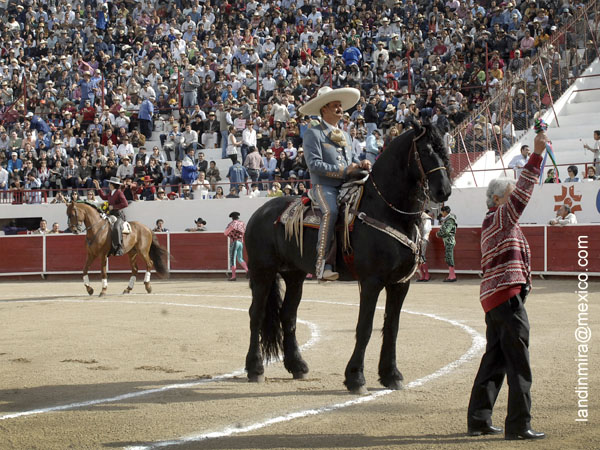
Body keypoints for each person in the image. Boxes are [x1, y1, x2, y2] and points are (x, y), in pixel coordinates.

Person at [467, 130, 547, 441]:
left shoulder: (491, 221)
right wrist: (536, 154)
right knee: (518, 363)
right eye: (509, 194)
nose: (514, 197)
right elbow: (523, 192)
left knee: (495, 360)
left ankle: (479, 420)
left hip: (494, 299)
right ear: (499, 198)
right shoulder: (501, 217)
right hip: (507, 298)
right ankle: (518, 425)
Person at [299, 87, 371, 281]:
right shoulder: (313, 134)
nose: (340, 109)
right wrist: (343, 171)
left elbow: (352, 159)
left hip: (348, 185)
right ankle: (322, 263)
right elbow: (313, 165)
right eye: (335, 106)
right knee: (330, 211)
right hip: (325, 186)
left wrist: (361, 163)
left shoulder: (346, 135)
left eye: (340, 106)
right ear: (324, 109)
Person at [93, 176, 128, 256]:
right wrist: (98, 188)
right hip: (110, 214)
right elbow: (103, 197)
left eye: (109, 183)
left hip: (118, 215)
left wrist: (114, 207)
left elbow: (125, 204)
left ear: (112, 185)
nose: (108, 185)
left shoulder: (119, 192)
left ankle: (119, 247)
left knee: (116, 227)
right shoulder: (111, 193)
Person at [224, 211, 249, 281]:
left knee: (232, 259)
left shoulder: (232, 224)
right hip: (241, 242)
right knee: (240, 258)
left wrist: (231, 233)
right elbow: (244, 232)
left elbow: (225, 233)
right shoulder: (242, 223)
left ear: (232, 218)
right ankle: (247, 270)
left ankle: (233, 276)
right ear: (238, 217)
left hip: (234, 242)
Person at [436, 205, 458, 282]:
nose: (441, 213)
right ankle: (451, 275)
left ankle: (452, 276)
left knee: (449, 258)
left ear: (445, 212)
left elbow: (446, 231)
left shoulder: (450, 220)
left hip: (449, 240)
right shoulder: (448, 219)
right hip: (448, 240)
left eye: (442, 212)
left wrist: (438, 234)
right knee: (448, 258)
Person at [416, 210, 433, 282]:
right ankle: (423, 275)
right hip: (419, 239)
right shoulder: (424, 218)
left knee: (422, 257)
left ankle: (426, 275)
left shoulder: (426, 219)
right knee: (418, 257)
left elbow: (426, 230)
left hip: (423, 239)